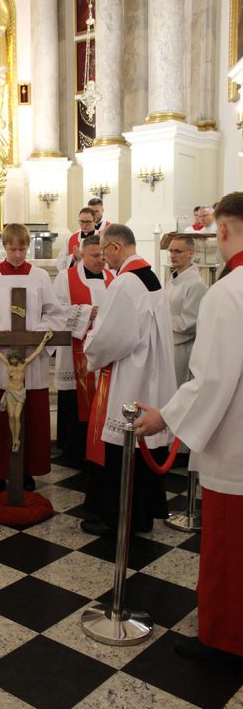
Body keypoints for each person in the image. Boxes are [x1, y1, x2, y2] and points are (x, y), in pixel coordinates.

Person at [135, 191, 243, 661]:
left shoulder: (228, 292)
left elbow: (214, 377)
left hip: (235, 443)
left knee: (227, 550)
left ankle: (223, 640)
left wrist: (166, 416)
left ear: (220, 230)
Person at [0, 223, 83, 492]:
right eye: (12, 248)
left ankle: (27, 470)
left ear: (27, 247)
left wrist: (35, 335)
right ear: (4, 246)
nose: (18, 254)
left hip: (32, 357)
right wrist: (0, 336)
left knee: (31, 417)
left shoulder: (40, 277)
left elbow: (55, 313)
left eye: (22, 249)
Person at [82, 224, 176, 534]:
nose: (104, 259)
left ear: (116, 247)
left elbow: (112, 337)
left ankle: (121, 519)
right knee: (144, 450)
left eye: (105, 251)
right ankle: (144, 514)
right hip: (153, 374)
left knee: (125, 448)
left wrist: (89, 348)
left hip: (133, 378)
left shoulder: (125, 282)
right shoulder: (150, 276)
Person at [54, 234, 113, 469]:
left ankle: (98, 445)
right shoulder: (65, 278)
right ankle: (74, 450)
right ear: (82, 254)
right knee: (74, 399)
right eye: (95, 255)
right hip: (74, 352)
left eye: (103, 255)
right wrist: (88, 312)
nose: (101, 260)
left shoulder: (112, 277)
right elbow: (56, 312)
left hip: (104, 353)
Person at [0, 330, 53, 452]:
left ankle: (17, 439)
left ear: (18, 358)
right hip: (10, 392)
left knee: (17, 416)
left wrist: (44, 340)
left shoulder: (24, 364)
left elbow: (37, 353)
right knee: (11, 416)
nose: (14, 360)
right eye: (12, 358)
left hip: (20, 392)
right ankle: (15, 439)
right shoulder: (8, 365)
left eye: (16, 358)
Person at [165, 235, 208, 386]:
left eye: (178, 251)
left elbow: (189, 322)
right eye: (171, 251)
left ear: (190, 253)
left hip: (182, 348)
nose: (173, 255)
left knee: (175, 388)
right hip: (168, 342)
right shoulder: (173, 280)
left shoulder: (196, 284)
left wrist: (161, 321)